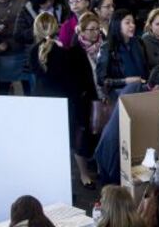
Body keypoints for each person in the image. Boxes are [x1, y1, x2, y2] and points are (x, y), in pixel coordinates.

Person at [30, 13, 98, 188]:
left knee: (50, 145)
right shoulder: (66, 52)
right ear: (56, 28)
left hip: (42, 104)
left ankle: (53, 179)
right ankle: (84, 175)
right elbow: (75, 81)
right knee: (75, 143)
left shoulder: (33, 52)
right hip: (66, 104)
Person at [95, 11, 147, 99]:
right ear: (117, 25)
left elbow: (146, 71)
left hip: (140, 89)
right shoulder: (107, 47)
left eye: (133, 22)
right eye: (127, 22)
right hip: (119, 92)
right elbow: (102, 80)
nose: (132, 25)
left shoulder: (139, 42)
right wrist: (125, 81)